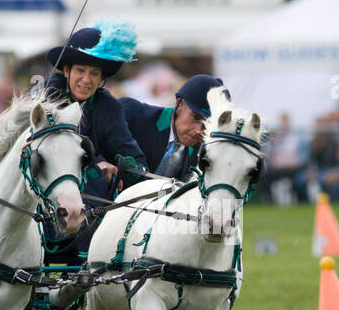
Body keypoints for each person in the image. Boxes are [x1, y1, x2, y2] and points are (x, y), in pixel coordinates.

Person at [40, 20, 148, 263]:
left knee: (98, 180)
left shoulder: (108, 106)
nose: (86, 80)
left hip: (90, 203)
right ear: (66, 70)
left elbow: (136, 160)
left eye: (94, 73)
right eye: (80, 70)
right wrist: (96, 162)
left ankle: (90, 264)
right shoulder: (45, 97)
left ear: (102, 79)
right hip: (42, 194)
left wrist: (125, 167)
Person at [119, 74, 225, 183]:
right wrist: (100, 160)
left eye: (208, 124)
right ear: (179, 104)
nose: (199, 130)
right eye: (196, 118)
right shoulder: (132, 113)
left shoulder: (202, 155)